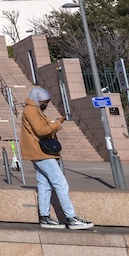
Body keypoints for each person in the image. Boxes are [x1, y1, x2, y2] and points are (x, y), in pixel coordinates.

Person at [20, 86, 93, 230]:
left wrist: (55, 123)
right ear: (38, 100)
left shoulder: (34, 109)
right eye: (45, 102)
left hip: (38, 151)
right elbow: (41, 130)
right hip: (40, 151)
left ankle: (45, 217)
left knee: (44, 184)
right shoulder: (31, 110)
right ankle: (71, 217)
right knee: (60, 183)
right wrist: (57, 124)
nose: (46, 104)